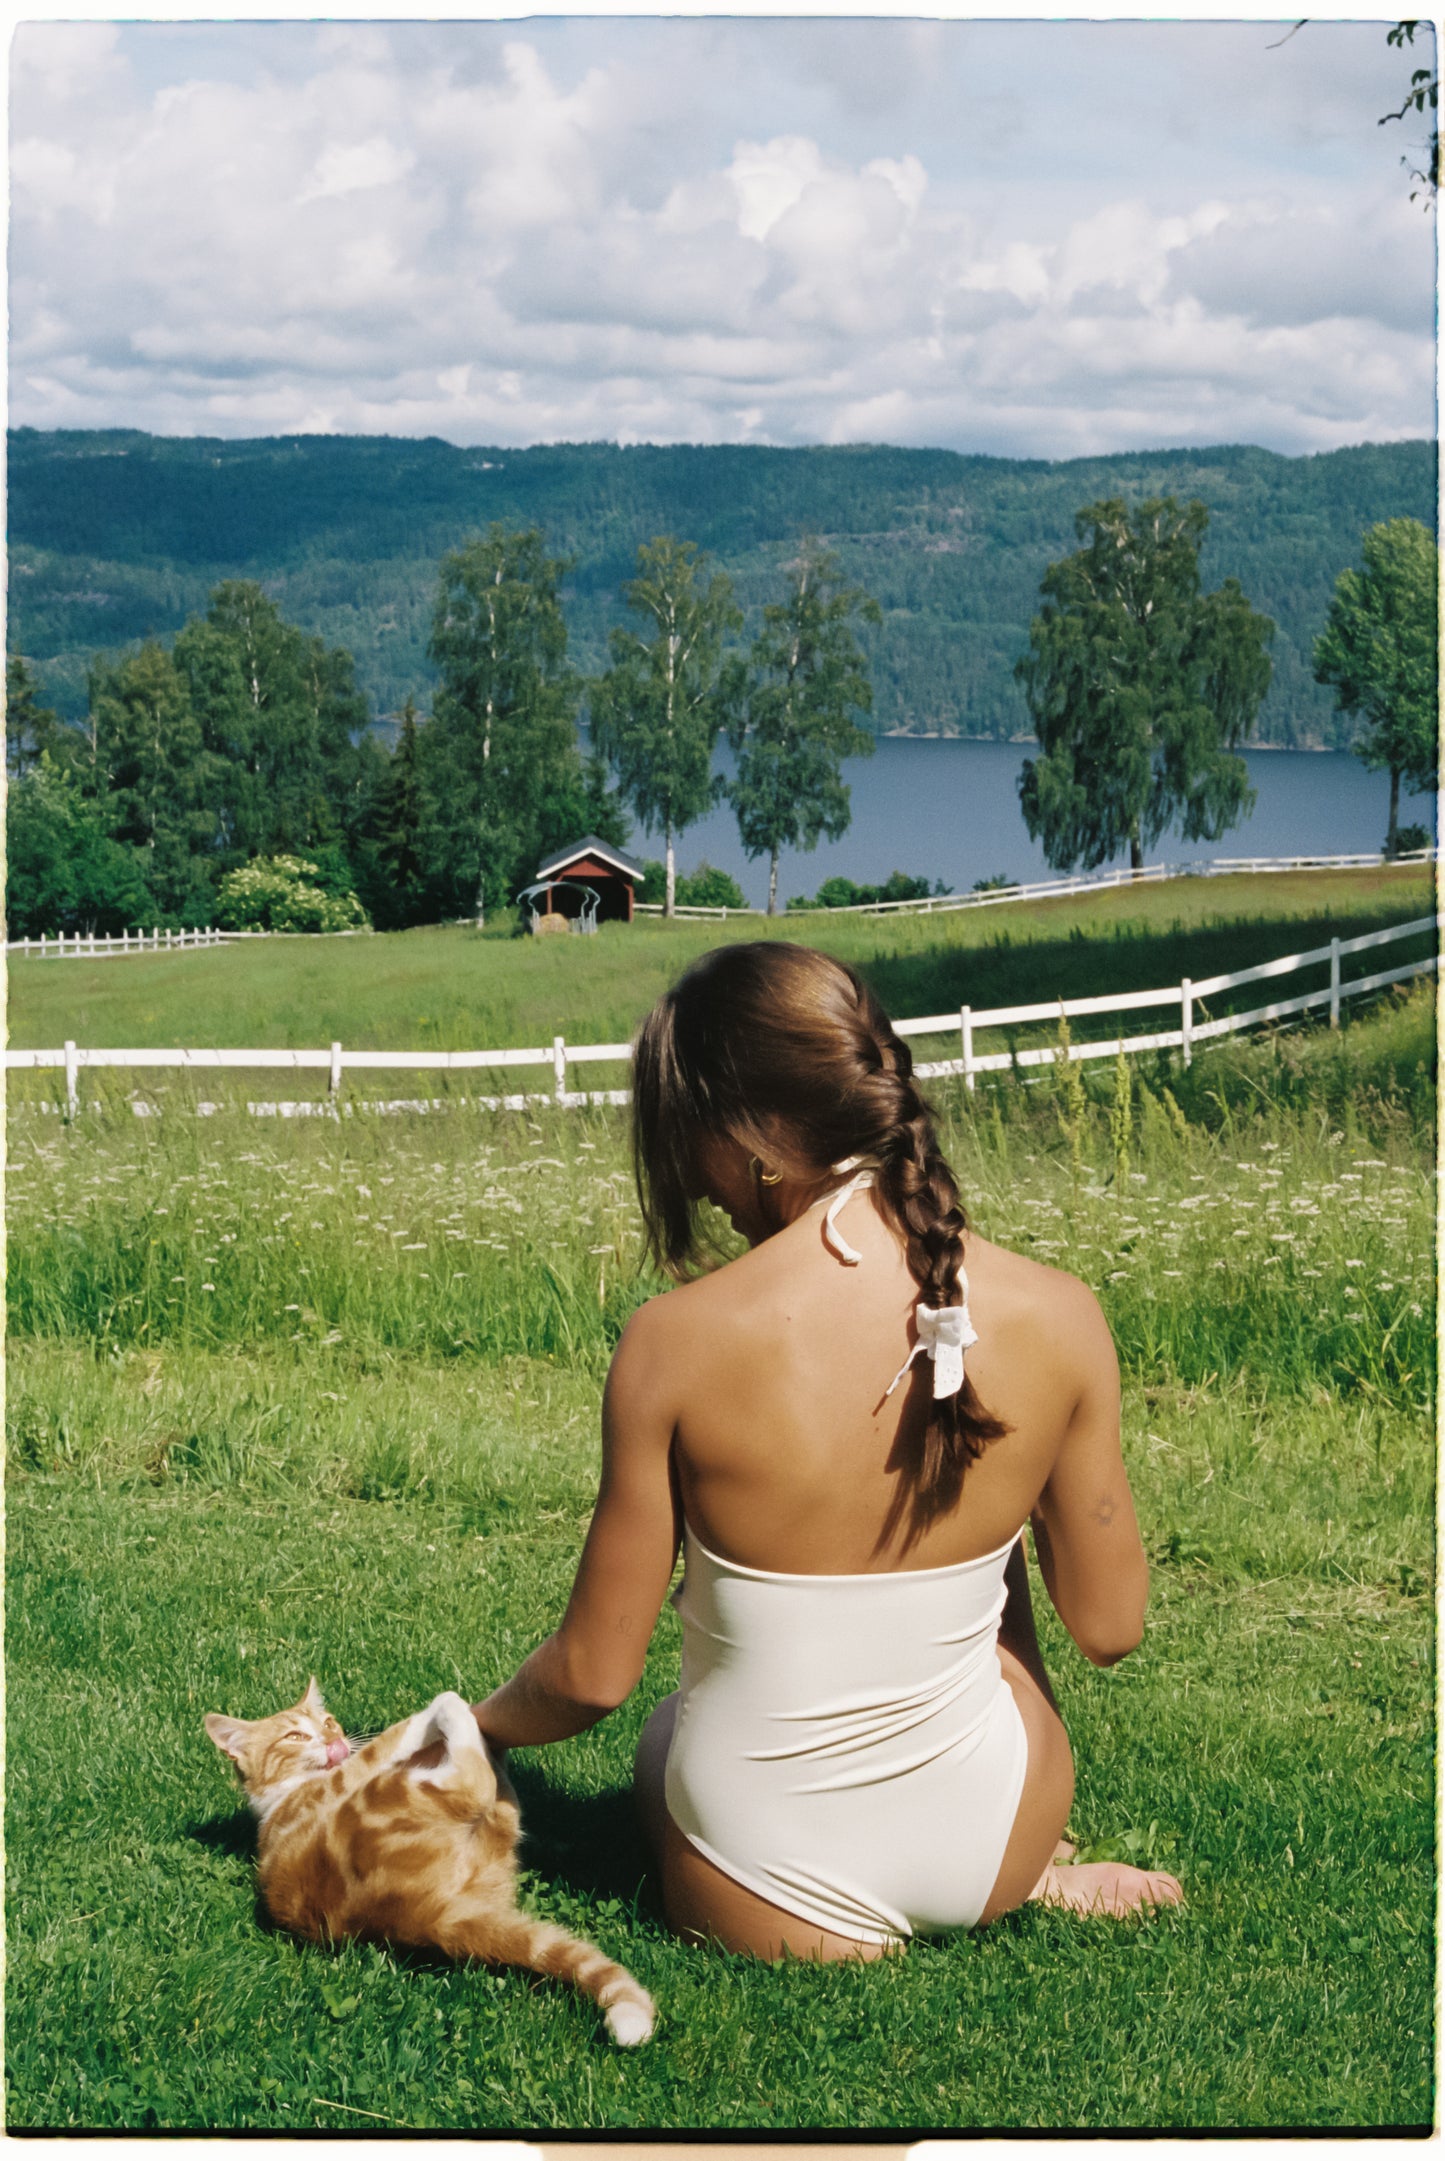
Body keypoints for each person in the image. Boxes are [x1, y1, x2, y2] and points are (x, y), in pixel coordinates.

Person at [471, 942, 1181, 1960]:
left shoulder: (673, 1341)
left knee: (668, 1732)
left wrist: (480, 1726)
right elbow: (1110, 1627)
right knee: (993, 1556)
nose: (697, 1183)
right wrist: (990, 1511)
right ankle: (1039, 1874)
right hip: (995, 1846)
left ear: (751, 1135)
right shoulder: (1060, 1316)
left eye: (690, 1138)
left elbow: (591, 1674)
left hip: (757, 1887)